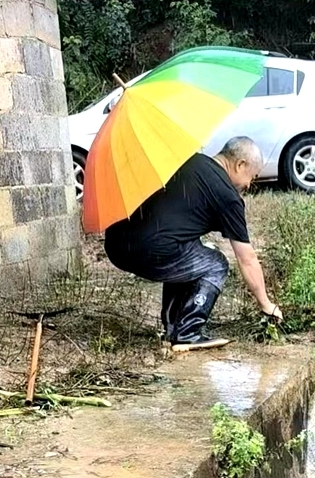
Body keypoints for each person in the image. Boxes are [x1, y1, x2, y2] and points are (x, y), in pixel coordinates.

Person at [104, 137, 283, 352]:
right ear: (240, 164)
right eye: (251, 178)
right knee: (216, 264)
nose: (248, 185)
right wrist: (266, 304)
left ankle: (172, 329)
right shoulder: (227, 196)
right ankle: (188, 333)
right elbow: (247, 258)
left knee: (189, 249)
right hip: (149, 250)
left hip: (116, 243)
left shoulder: (185, 160)